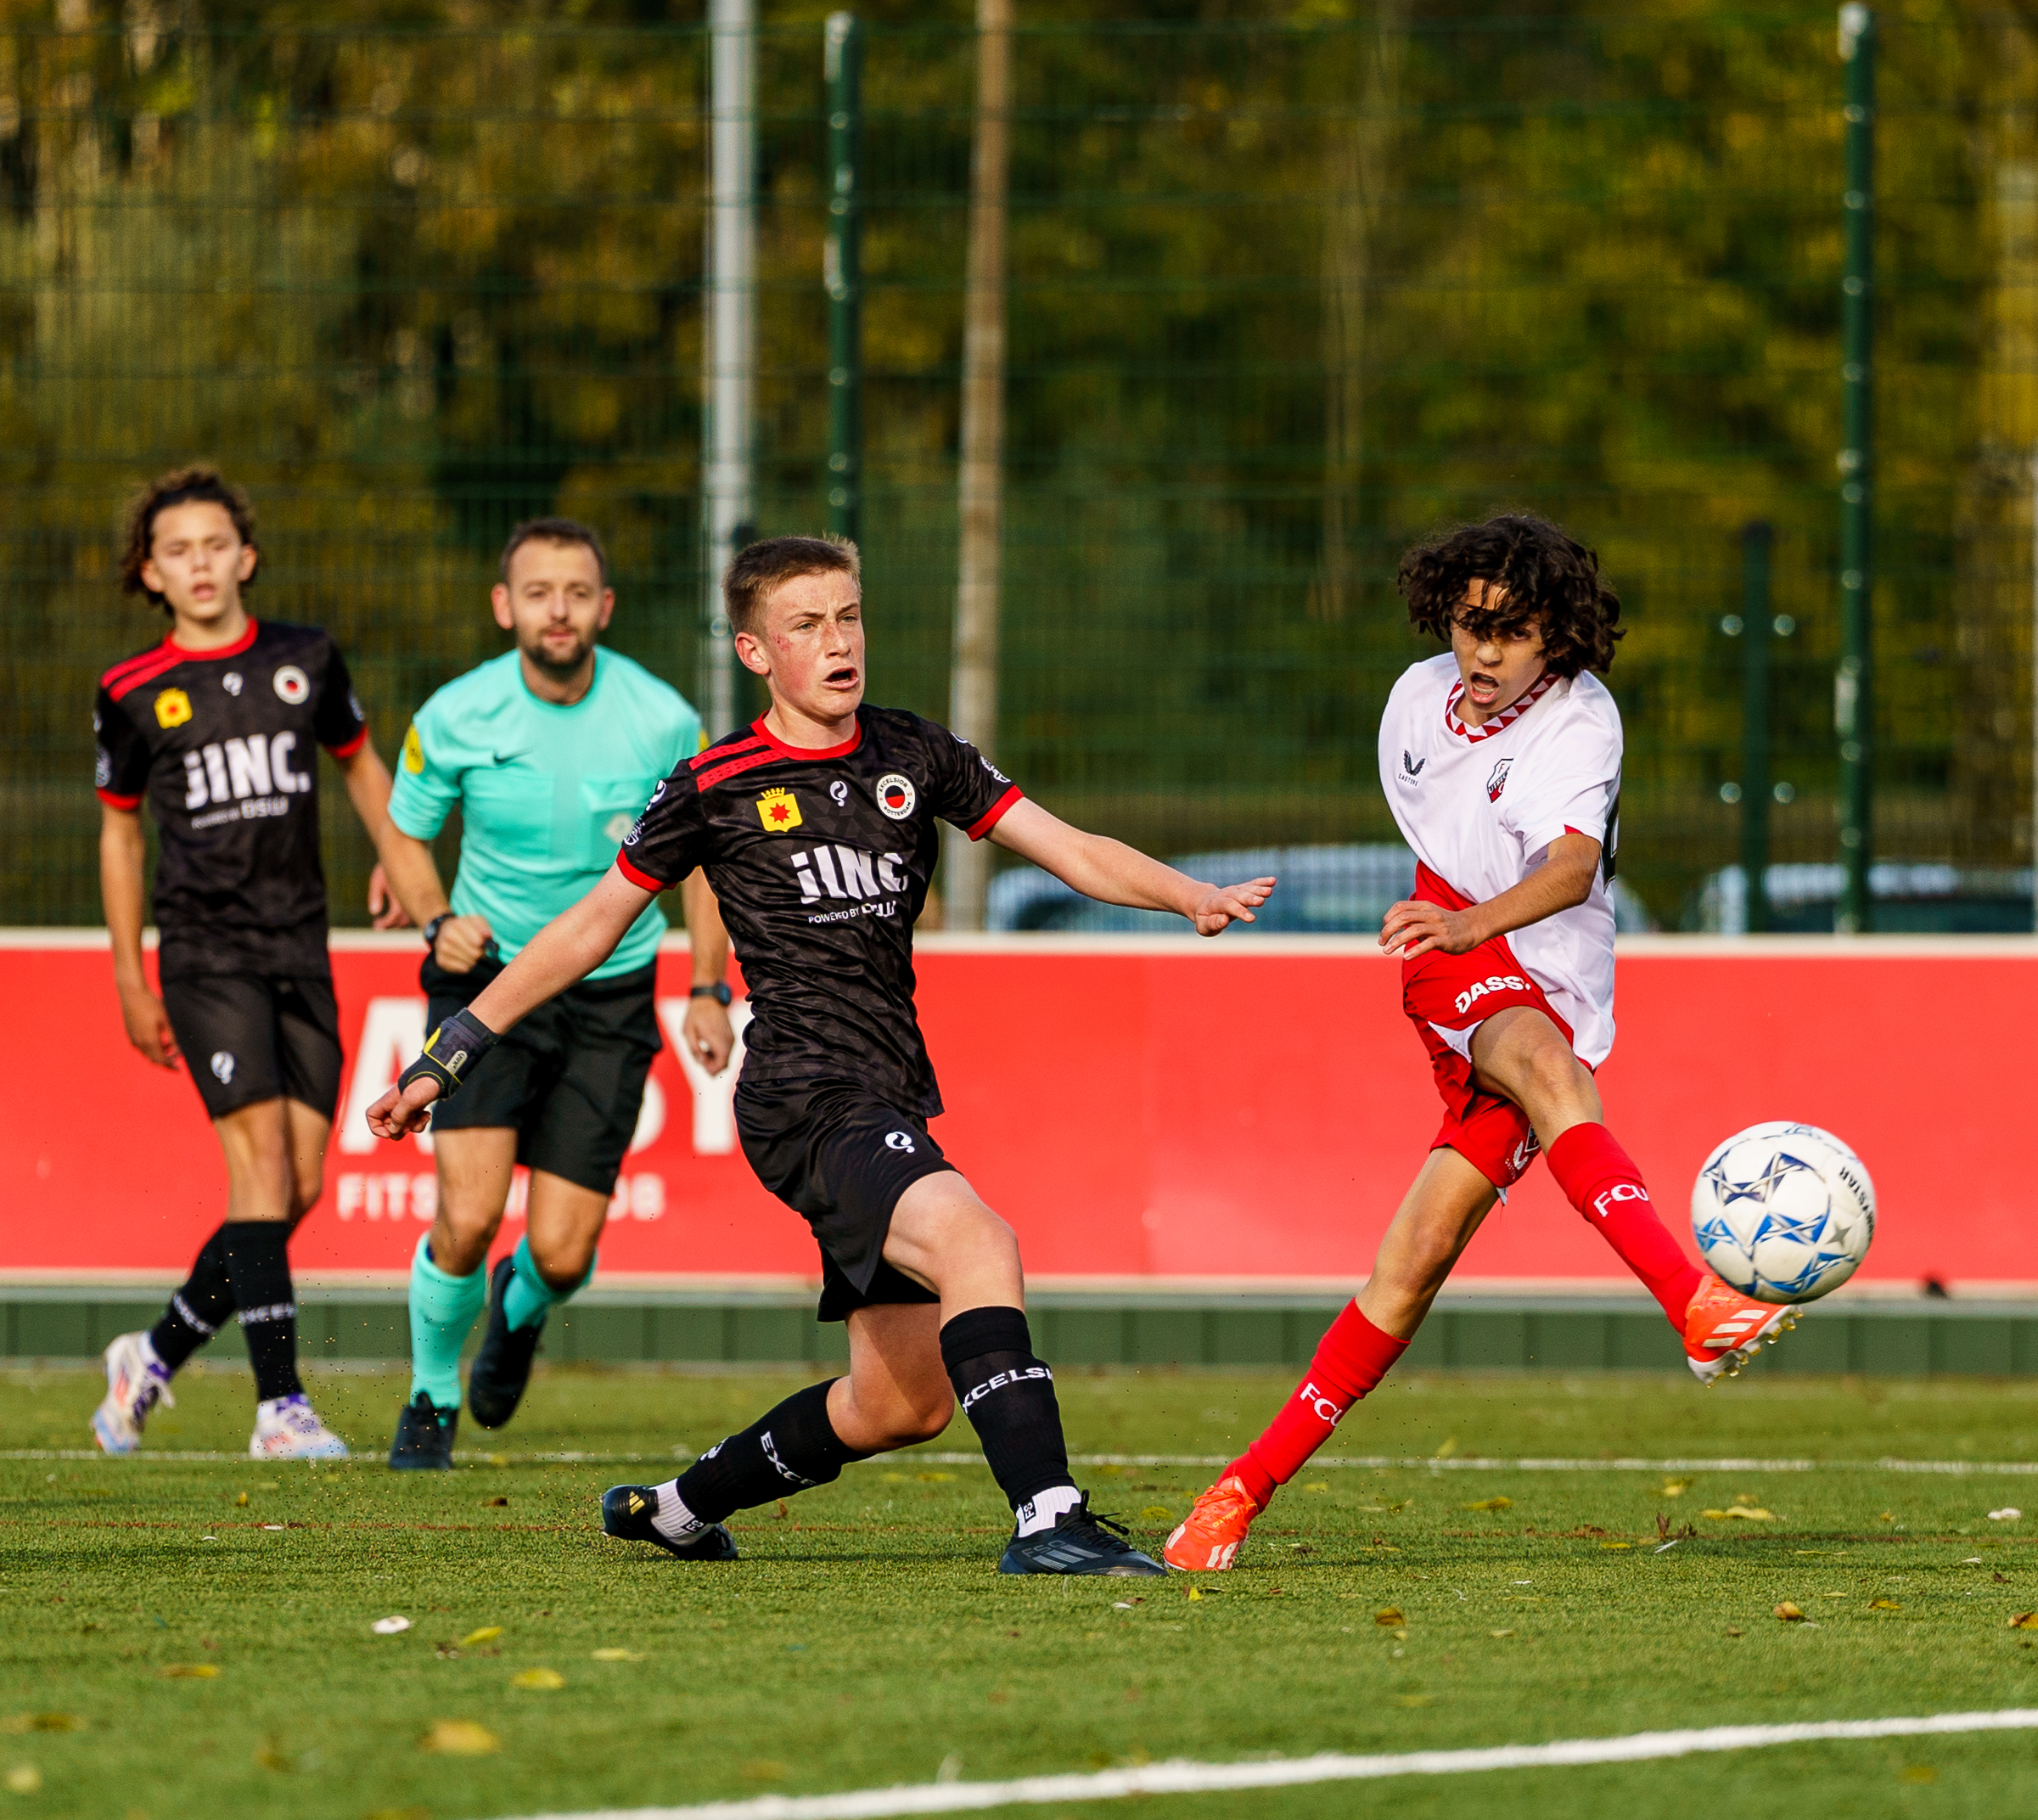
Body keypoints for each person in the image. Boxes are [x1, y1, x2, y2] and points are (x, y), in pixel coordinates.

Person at [366, 534, 1273, 1574]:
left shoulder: (915, 753)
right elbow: (587, 927)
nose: (838, 642)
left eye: (848, 617)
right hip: (804, 1094)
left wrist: (1188, 894)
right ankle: (1049, 1518)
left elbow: (1069, 847)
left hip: (887, 1093)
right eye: (806, 625)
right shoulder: (716, 780)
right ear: (756, 652)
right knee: (980, 1240)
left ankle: (678, 1506)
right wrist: (452, 1051)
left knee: (902, 1402)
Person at [1161, 513, 1803, 1573]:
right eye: (1469, 626)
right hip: (1451, 949)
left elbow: (1568, 871)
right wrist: (1458, 928)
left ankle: (1235, 1493)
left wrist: (1479, 923)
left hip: (1540, 971)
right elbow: (1449, 853)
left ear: (1560, 637)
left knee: (1407, 1271)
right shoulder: (1416, 700)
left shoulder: (1582, 725)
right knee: (1549, 1071)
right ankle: (1691, 1301)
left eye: (1511, 633)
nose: (1483, 653)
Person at [369, 518, 734, 1469]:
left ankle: (519, 1306)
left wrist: (703, 985)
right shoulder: (455, 713)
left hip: (611, 994)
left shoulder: (661, 719)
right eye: (538, 592)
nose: (558, 609)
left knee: (564, 1253)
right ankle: (431, 1396)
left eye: (577, 592)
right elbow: (404, 833)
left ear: (605, 608)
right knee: (467, 1213)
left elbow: (701, 866)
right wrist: (432, 916)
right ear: (505, 607)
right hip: (486, 982)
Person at [90, 466, 409, 1459]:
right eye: (177, 550)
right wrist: (129, 974)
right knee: (261, 1170)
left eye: (214, 544)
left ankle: (154, 1351)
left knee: (294, 1186)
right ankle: (280, 1407)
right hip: (202, 956)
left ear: (247, 555)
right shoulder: (132, 691)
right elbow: (120, 837)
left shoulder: (306, 658)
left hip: (301, 949)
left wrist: (409, 871)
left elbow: (359, 763)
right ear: (152, 571)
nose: (199, 563)